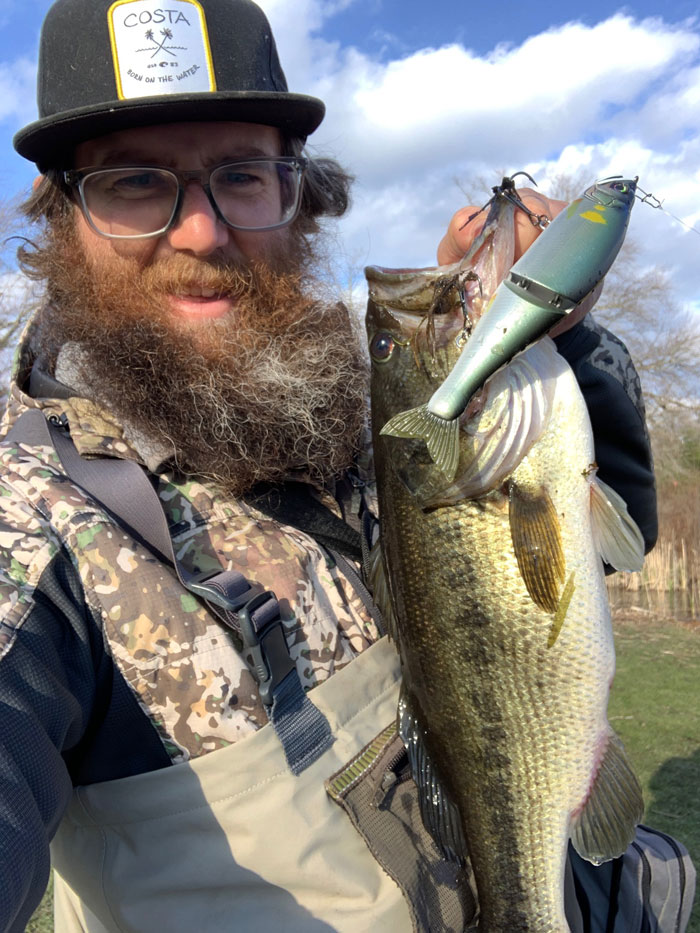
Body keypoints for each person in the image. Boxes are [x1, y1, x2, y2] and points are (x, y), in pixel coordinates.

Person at [1, 1, 692, 931]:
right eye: (133, 183)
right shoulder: (32, 516)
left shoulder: (352, 399)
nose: (201, 232)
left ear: (301, 195)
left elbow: (594, 561)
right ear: (61, 216)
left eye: (242, 175)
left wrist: (554, 342)